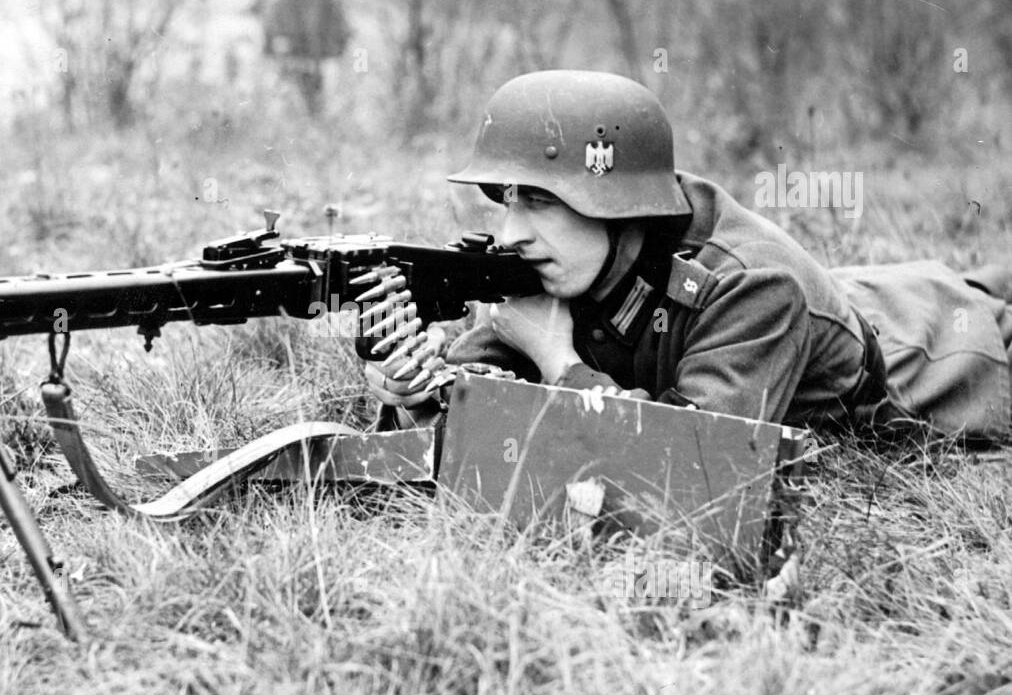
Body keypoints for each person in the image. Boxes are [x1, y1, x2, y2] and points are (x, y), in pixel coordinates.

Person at [365, 70, 1012, 441]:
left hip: (947, 352)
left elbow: (696, 468)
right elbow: (487, 410)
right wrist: (420, 394)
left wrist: (559, 363)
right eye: (506, 201)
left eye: (537, 201)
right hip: (858, 297)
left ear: (615, 205)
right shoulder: (572, 261)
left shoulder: (755, 286)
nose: (509, 233)